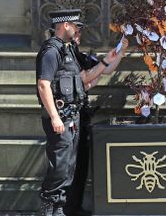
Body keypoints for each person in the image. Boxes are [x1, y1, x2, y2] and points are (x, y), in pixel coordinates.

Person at [36, 9, 125, 216]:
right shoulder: (51, 51)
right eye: (75, 26)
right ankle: (49, 210)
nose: (78, 30)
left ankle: (61, 209)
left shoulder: (69, 51)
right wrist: (55, 117)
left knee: (68, 168)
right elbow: (43, 85)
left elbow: (84, 79)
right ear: (65, 25)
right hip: (60, 117)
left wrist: (112, 57)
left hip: (72, 116)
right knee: (59, 167)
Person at [65, 25, 129, 216]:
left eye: (79, 34)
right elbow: (84, 78)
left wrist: (120, 52)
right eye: (75, 33)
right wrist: (101, 65)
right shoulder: (63, 55)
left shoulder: (80, 55)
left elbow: (105, 70)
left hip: (83, 114)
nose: (79, 37)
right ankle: (67, 208)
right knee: (71, 167)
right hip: (70, 116)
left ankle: (76, 207)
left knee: (82, 164)